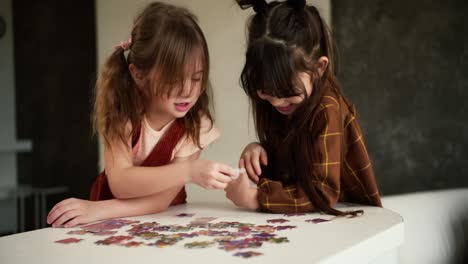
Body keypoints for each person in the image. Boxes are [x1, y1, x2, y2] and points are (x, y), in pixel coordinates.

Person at [47, 2, 235, 228]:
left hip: (164, 219)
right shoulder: (123, 108)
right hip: (107, 214)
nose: (187, 91)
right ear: (138, 75)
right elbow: (120, 182)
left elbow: (160, 201)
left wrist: (190, 172)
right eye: (173, 79)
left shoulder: (197, 124)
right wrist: (188, 172)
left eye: (196, 78)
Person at [225, 0, 382, 215]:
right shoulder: (282, 103)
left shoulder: (328, 109)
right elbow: (291, 168)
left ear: (319, 67)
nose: (277, 103)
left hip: (349, 222)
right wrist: (260, 150)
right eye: (265, 91)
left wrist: (256, 197)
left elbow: (323, 192)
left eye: (288, 93)